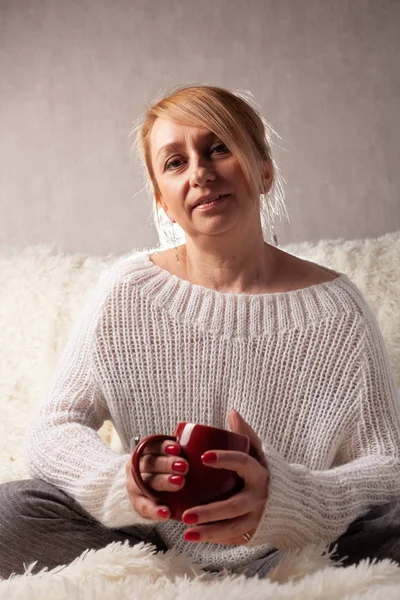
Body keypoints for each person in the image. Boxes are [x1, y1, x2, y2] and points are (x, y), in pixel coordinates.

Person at [1, 84, 399, 580]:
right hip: (147, 540)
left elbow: (389, 466)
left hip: (289, 546)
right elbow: (53, 427)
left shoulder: (339, 310)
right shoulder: (125, 293)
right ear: (162, 202)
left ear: (264, 170)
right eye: (174, 163)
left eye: (218, 148)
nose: (200, 172)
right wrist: (124, 481)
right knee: (9, 510)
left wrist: (288, 498)